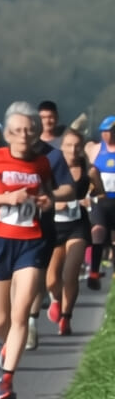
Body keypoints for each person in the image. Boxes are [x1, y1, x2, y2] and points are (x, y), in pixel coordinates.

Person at [0, 102, 76, 399]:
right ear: (7, 133)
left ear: (36, 133)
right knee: (1, 319)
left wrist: (48, 198)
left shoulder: (43, 162)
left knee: (21, 314)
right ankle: (8, 344)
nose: (23, 136)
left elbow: (61, 189)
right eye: (17, 130)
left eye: (29, 130)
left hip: (31, 242)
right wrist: (5, 198)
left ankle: (6, 379)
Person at [42, 128, 101, 336]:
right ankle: (56, 300)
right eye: (69, 145)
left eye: (77, 146)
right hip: (54, 225)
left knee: (71, 273)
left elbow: (99, 192)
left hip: (78, 225)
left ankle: (66, 318)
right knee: (51, 279)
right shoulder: (50, 168)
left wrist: (90, 198)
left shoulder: (89, 170)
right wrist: (55, 203)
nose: (73, 150)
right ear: (61, 147)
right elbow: (41, 193)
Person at [89, 116, 115, 292]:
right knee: (97, 231)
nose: (107, 135)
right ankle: (94, 272)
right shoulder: (96, 149)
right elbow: (89, 173)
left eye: (110, 132)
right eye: (104, 132)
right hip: (100, 199)